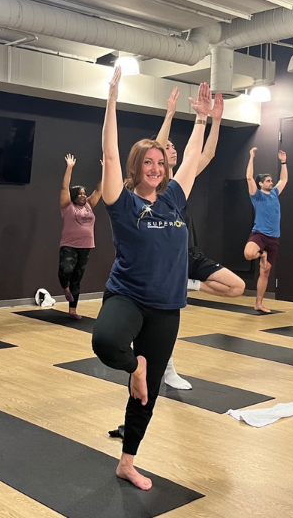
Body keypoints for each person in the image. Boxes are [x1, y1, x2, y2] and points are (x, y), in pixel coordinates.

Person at [91, 67, 208, 490]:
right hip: (127, 297)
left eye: (160, 162)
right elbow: (108, 155)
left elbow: (191, 159)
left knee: (147, 394)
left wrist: (201, 119)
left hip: (166, 307)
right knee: (106, 342)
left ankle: (127, 462)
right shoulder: (121, 202)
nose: (156, 168)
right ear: (136, 166)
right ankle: (134, 367)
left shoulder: (174, 198)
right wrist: (112, 98)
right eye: (148, 162)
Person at [153, 85, 241, 391]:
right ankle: (168, 369)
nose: (172, 149)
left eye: (175, 147)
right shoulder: (159, 184)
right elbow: (157, 145)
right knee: (169, 319)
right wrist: (170, 114)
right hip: (167, 258)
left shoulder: (184, 180)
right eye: (168, 148)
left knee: (235, 286)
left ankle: (188, 284)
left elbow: (209, 153)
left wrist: (216, 120)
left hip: (189, 253)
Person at [243, 147, 288, 314]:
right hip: (260, 234)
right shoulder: (257, 195)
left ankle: (259, 303)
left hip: (274, 238)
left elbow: (284, 179)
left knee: (266, 272)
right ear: (261, 183)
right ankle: (261, 254)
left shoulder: (275, 193)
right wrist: (251, 157)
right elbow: (249, 177)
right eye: (268, 181)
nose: (271, 182)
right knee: (249, 254)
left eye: (271, 180)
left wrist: (283, 162)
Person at [58, 154, 101, 318]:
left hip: (86, 246)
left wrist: (106, 170)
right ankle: (65, 288)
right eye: (80, 193)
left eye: (85, 193)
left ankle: (72, 310)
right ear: (74, 195)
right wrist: (69, 168)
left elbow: (99, 190)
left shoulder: (89, 205)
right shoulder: (67, 206)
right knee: (66, 269)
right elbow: (64, 187)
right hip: (69, 245)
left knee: (77, 278)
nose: (84, 195)